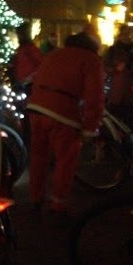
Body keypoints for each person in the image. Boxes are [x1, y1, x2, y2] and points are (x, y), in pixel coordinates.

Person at [25, 31, 105, 216]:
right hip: (62, 112)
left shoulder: (55, 54)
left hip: (36, 107)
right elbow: (95, 96)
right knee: (65, 160)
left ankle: (36, 199)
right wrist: (90, 127)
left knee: (39, 157)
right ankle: (58, 205)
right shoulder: (90, 60)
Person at [11, 21, 44, 96]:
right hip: (22, 83)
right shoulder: (22, 48)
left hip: (29, 84)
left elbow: (41, 65)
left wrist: (30, 77)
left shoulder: (30, 48)